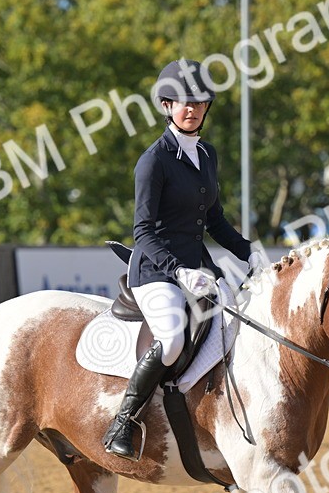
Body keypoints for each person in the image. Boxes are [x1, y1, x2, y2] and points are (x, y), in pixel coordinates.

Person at [103, 59, 268, 459]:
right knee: (173, 339)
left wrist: (250, 251)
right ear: (166, 106)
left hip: (199, 269)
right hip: (156, 270)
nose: (191, 109)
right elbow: (143, 232)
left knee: (243, 323)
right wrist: (178, 272)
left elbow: (214, 220)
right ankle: (122, 422)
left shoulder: (207, 155)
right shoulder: (153, 161)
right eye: (181, 102)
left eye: (199, 102)